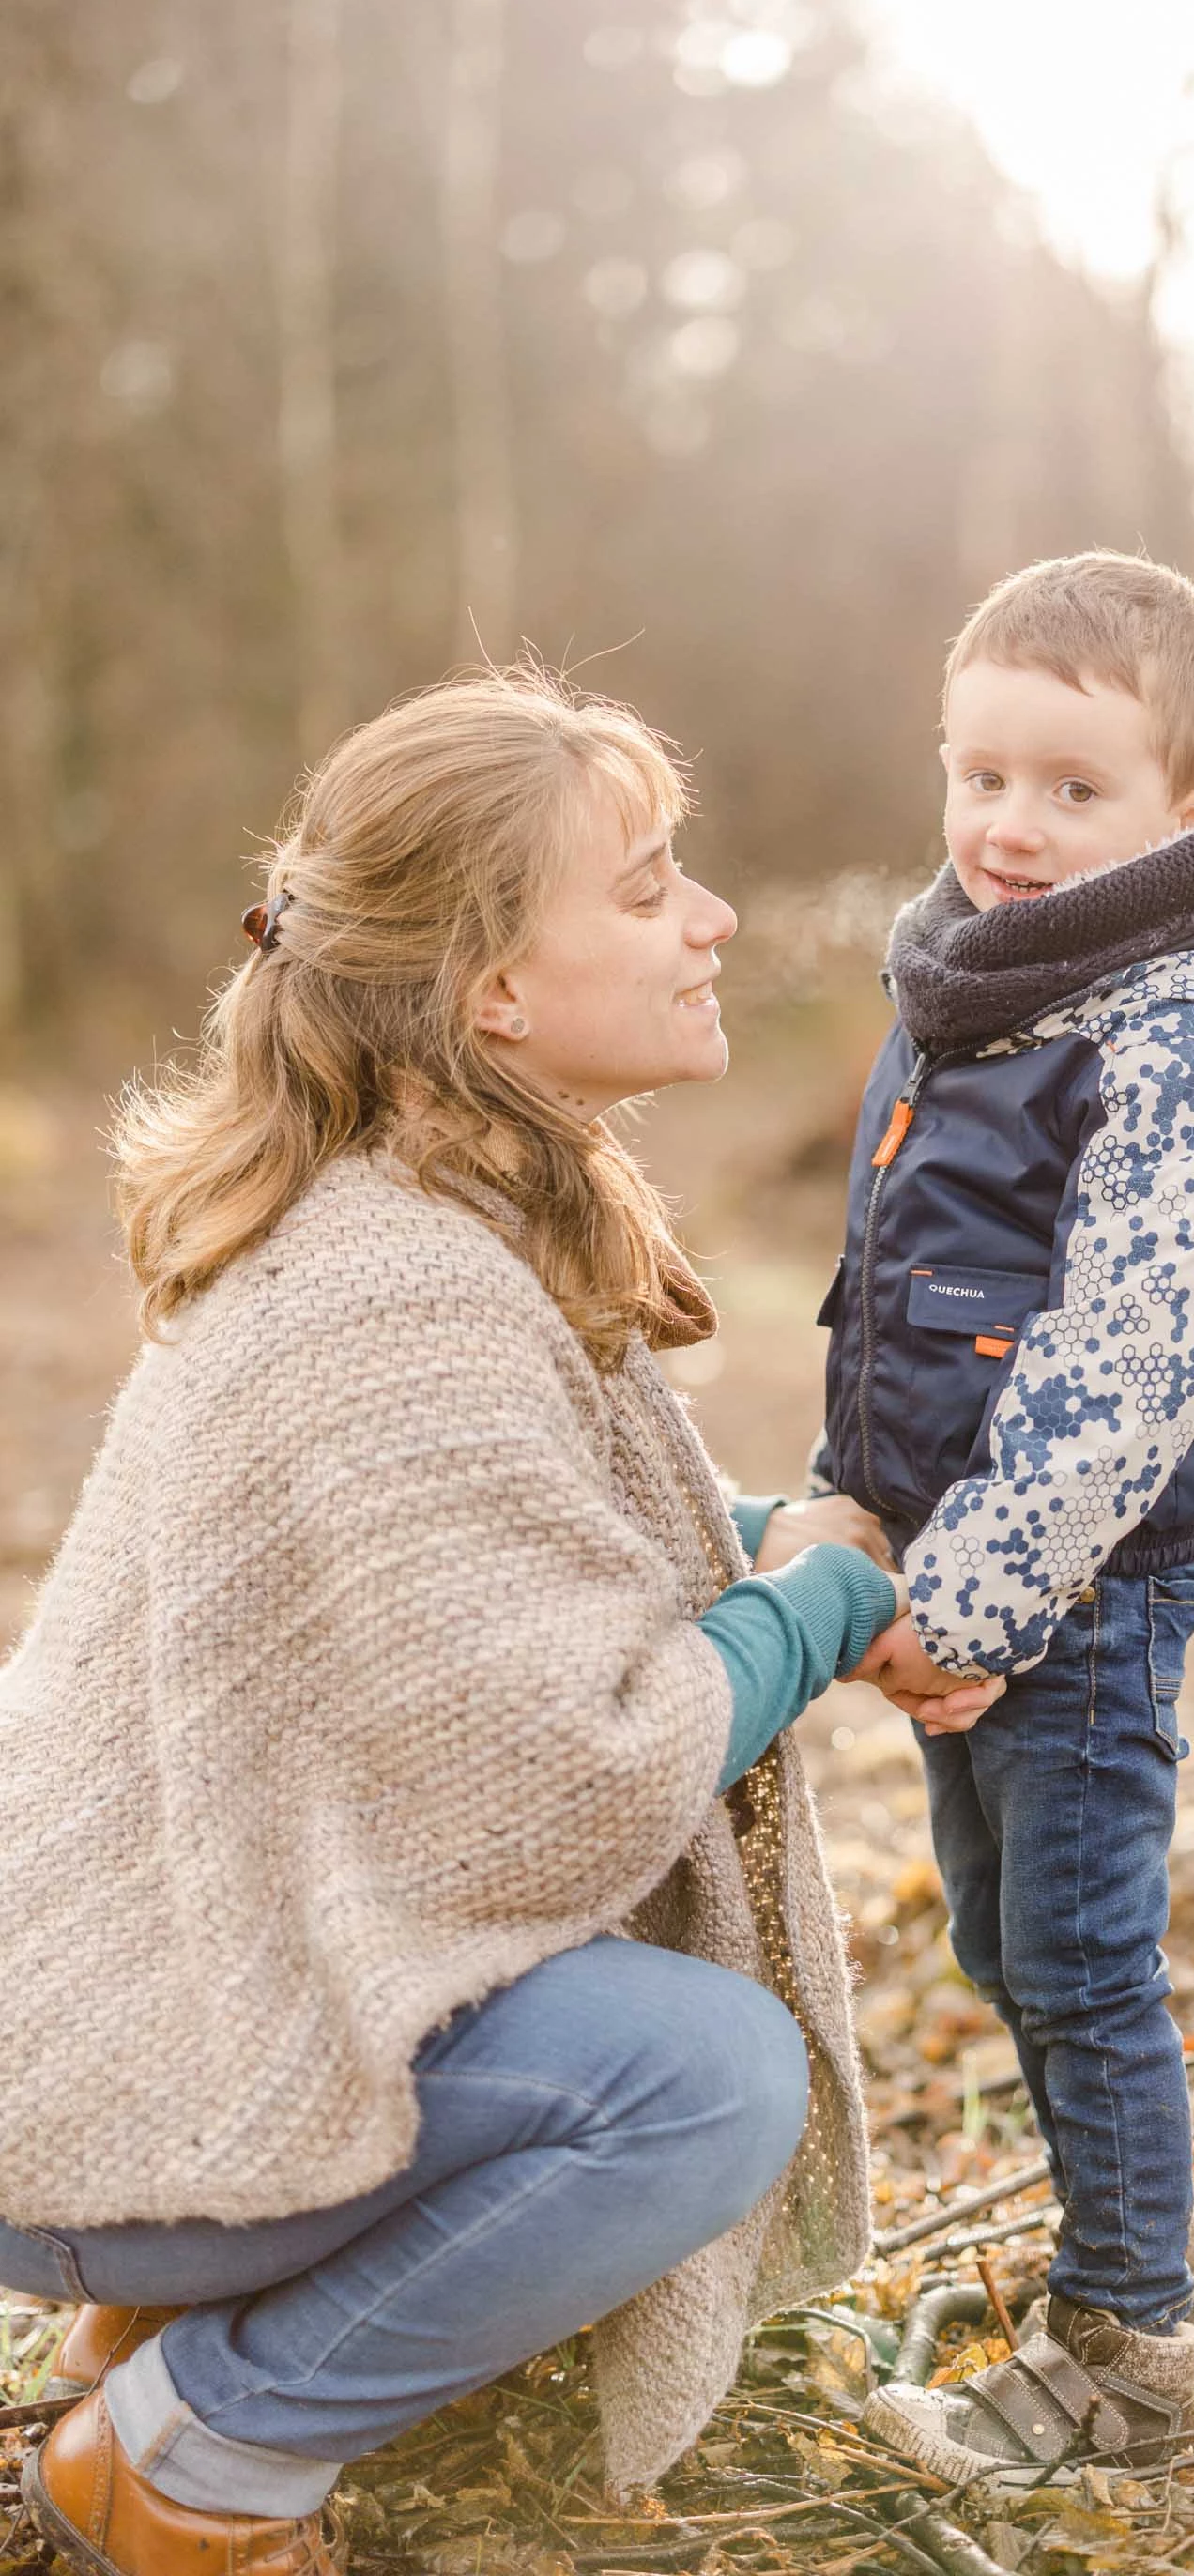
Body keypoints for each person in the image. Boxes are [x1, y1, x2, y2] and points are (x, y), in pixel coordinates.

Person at [0, 664, 988, 2576]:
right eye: (644, 889)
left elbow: (548, 1572)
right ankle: (191, 2455)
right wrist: (819, 1598)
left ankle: (173, 2335)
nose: (708, 919)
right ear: (491, 992)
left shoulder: (423, 1220)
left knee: (627, 2049)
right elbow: (559, 1773)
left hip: (95, 2041)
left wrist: (798, 1557)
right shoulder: (402, 1290)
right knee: (699, 2083)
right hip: (102, 2087)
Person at [819, 553, 1194, 2480]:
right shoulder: (993, 978)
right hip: (970, 1565)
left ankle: (1133, 2344)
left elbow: (1119, 1367)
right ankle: (1127, 2261)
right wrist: (866, 1496)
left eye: (1071, 789)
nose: (1010, 829)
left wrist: (969, 1602)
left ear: (1189, 812)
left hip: (1084, 1589)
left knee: (1079, 1955)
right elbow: (914, 1274)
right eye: (981, 776)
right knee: (1002, 1937)